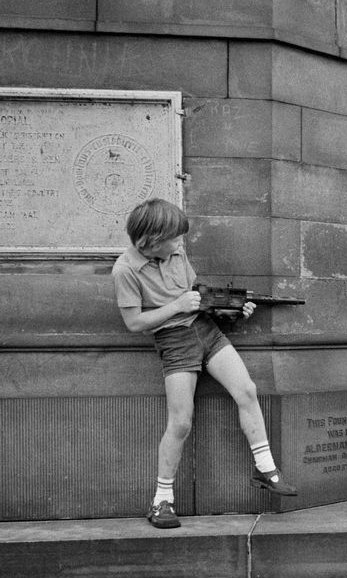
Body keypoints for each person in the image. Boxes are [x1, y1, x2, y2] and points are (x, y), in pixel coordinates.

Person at [111, 199, 296, 529]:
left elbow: (196, 293)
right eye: (175, 238)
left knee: (247, 392)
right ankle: (162, 501)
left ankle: (266, 469)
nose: (181, 244)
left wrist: (233, 312)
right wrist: (177, 305)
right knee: (181, 422)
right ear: (151, 240)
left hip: (205, 330)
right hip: (173, 341)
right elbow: (135, 323)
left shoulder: (176, 253)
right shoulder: (125, 270)